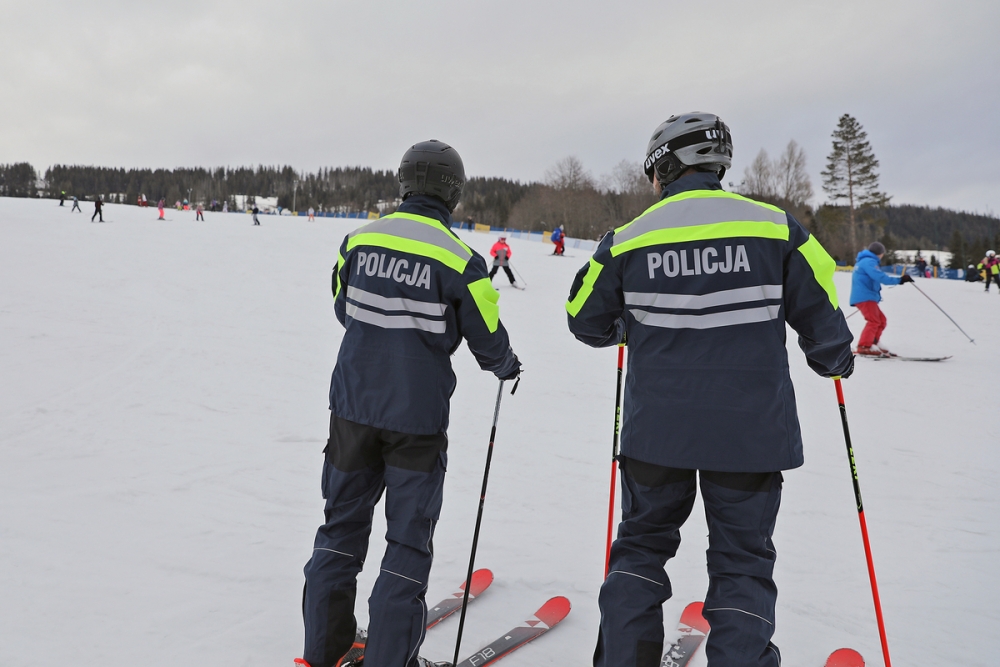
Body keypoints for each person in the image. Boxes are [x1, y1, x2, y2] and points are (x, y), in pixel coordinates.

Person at [565, 112, 854, 667]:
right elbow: (825, 318)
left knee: (640, 551)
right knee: (742, 564)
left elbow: (583, 318)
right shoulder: (777, 227)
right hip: (750, 436)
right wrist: (834, 359)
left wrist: (629, 325)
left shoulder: (629, 238)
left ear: (667, 167)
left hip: (656, 436)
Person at [297, 140, 520, 667]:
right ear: (453, 194)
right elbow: (488, 338)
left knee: (340, 527)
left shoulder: (357, 240)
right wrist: (508, 365)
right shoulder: (462, 259)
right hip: (415, 424)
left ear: (403, 185)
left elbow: (342, 306)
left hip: (351, 409)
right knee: (407, 543)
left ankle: (322, 651)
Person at [850, 241, 913, 357]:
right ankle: (864, 346)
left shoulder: (865, 261)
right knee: (874, 321)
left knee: (881, 320)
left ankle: (873, 343)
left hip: (866, 297)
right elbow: (879, 277)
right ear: (880, 253)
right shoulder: (869, 262)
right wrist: (900, 280)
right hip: (865, 297)